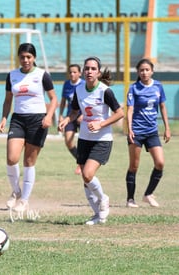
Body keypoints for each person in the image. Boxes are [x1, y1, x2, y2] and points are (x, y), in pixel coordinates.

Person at [58, 56, 124, 225]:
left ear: (98, 72)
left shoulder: (104, 91)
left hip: (102, 139)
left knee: (87, 174)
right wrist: (67, 119)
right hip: (84, 138)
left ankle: (103, 198)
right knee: (86, 180)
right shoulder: (79, 89)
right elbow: (74, 111)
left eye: (93, 69)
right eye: (87, 68)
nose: (89, 71)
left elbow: (119, 113)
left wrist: (101, 123)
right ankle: (96, 214)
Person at [0, 42, 58, 212]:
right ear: (19, 58)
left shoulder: (42, 75)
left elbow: (54, 99)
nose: (25, 60)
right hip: (18, 119)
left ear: (34, 58)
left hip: (37, 120)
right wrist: (4, 117)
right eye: (22, 57)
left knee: (29, 162)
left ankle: (24, 200)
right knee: (11, 157)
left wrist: (48, 116)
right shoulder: (12, 75)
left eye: (29, 57)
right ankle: (16, 192)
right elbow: (8, 99)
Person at [125, 58, 171, 208]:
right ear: (138, 72)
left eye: (147, 70)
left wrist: (167, 127)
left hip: (152, 132)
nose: (144, 73)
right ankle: (130, 199)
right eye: (141, 70)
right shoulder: (133, 88)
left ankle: (148, 194)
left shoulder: (158, 86)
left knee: (160, 163)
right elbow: (130, 109)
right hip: (136, 132)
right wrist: (130, 128)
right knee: (134, 166)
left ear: (152, 71)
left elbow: (163, 106)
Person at [58, 64, 85, 175]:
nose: (72, 74)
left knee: (84, 142)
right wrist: (60, 115)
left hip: (84, 116)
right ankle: (80, 161)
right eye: (70, 72)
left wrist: (84, 115)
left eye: (75, 72)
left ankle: (83, 164)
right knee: (68, 141)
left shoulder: (84, 84)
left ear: (80, 73)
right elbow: (63, 101)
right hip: (70, 116)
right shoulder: (67, 84)